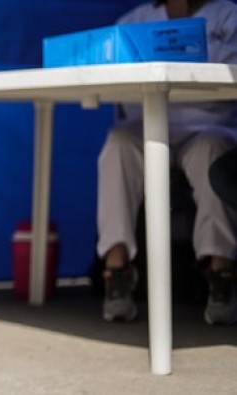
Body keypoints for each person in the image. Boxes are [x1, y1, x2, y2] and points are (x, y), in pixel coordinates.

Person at [97, 0, 237, 325]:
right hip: (145, 124)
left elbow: (229, 76)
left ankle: (221, 271)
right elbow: (112, 74)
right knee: (117, 145)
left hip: (208, 123)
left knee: (212, 151)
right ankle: (117, 269)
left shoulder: (226, 14)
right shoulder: (135, 19)